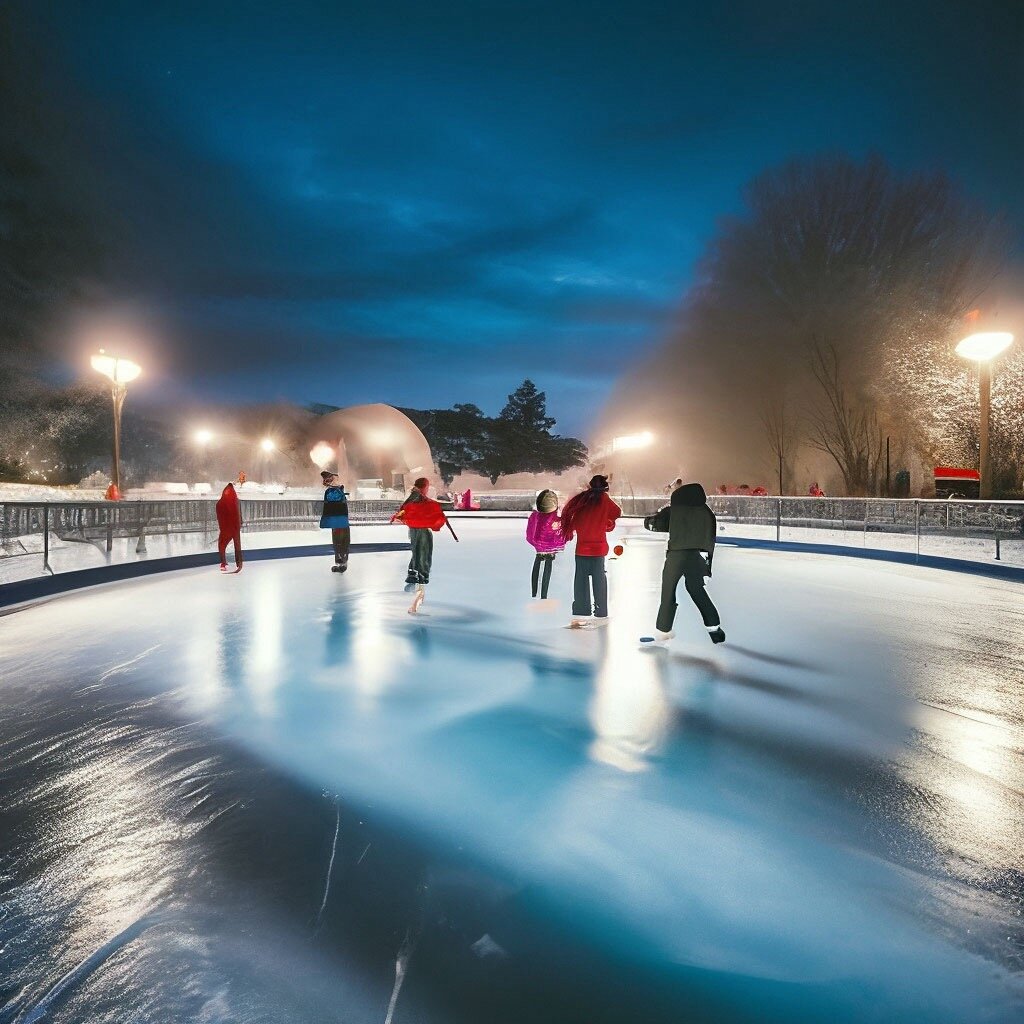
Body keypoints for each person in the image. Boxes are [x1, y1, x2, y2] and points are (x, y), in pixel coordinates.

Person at [643, 482, 724, 644]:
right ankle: (714, 628)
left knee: (668, 590)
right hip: (698, 556)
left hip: (676, 556)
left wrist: (650, 520)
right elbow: (710, 540)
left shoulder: (674, 510)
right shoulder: (707, 513)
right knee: (696, 590)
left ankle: (664, 629)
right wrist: (707, 567)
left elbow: (655, 524)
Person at [559, 475, 621, 627]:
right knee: (599, 578)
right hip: (599, 548)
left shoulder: (582, 500)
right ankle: (601, 610)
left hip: (582, 548)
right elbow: (617, 512)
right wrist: (606, 523)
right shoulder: (605, 499)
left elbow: (573, 519)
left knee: (581, 579)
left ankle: (582, 608)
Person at [391, 476, 449, 611]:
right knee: (424, 551)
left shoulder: (415, 496)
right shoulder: (417, 496)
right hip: (421, 529)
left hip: (415, 528)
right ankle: (421, 576)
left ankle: (412, 573)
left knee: (417, 550)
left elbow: (403, 511)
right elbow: (406, 509)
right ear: (425, 486)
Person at [525, 489, 564, 599]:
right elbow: (562, 535)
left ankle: (534, 593)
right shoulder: (557, 519)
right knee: (548, 569)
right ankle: (544, 595)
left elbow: (529, 534)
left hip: (538, 549)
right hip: (551, 550)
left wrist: (535, 543)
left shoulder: (534, 517)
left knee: (537, 567)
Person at [319, 471, 350, 573]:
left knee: (338, 541)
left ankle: (340, 562)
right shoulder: (335, 491)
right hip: (341, 519)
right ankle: (342, 562)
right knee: (343, 541)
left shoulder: (331, 491)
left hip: (335, 520)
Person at [216, 481, 243, 572]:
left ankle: (224, 563)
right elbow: (238, 513)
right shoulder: (235, 499)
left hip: (227, 528)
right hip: (235, 527)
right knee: (237, 543)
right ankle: (239, 563)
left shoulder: (222, 502)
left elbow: (220, 511)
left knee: (222, 544)